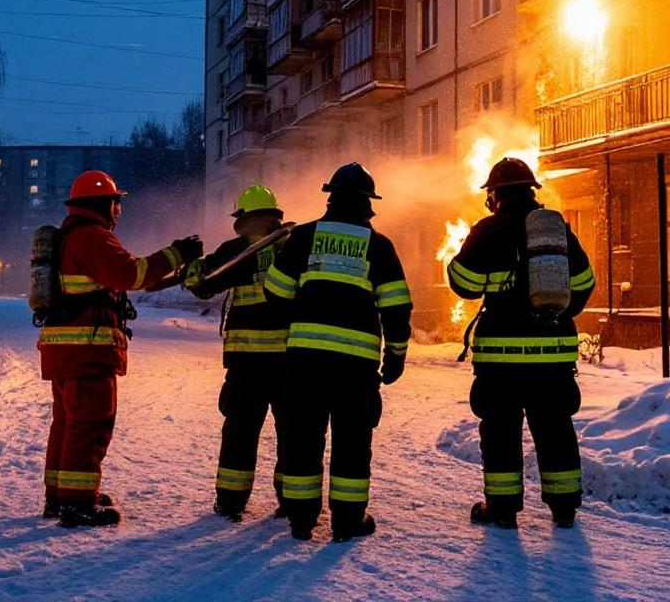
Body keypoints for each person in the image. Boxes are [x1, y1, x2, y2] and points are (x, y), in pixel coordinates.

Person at [39, 169, 202, 527]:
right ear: (104, 203)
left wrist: (177, 274)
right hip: (87, 351)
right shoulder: (92, 238)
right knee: (89, 425)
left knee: (67, 424)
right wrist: (177, 253)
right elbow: (131, 274)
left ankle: (60, 495)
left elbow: (124, 282)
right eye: (117, 203)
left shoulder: (73, 236)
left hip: (67, 351)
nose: (119, 211)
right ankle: (77, 504)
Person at [263, 162, 412, 543]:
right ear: (368, 204)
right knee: (352, 441)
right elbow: (395, 305)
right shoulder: (378, 246)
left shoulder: (304, 237)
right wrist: (395, 355)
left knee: (303, 437)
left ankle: (301, 520)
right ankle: (347, 522)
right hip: (356, 367)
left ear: (330, 198)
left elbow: (275, 292)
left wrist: (300, 316)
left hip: (304, 362)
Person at [446, 157, 595, 530]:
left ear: (494, 194)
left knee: (500, 431)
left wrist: (465, 252)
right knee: (555, 428)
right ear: (531, 191)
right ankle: (564, 509)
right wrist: (558, 313)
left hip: (501, 359)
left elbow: (462, 283)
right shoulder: (557, 229)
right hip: (553, 357)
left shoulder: (488, 230)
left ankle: (503, 508)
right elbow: (585, 281)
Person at [183, 183, 290, 521]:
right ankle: (293, 501)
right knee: (294, 432)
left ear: (244, 218)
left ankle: (230, 501)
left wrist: (190, 266)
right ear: (274, 215)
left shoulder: (237, 250)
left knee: (240, 433)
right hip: (292, 359)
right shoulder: (296, 248)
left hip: (248, 362)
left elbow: (201, 285)